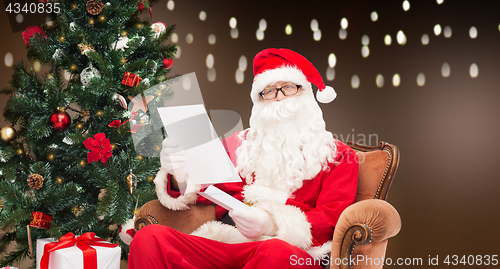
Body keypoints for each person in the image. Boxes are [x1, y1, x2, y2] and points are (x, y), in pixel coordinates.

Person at [127, 48, 359, 269]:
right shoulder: (239, 144)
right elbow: (206, 190)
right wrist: (179, 174)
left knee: (276, 252)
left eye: (288, 87)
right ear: (258, 100)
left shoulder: (340, 156)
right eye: (268, 91)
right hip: (229, 243)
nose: (278, 97)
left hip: (290, 251)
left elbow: (331, 218)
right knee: (150, 237)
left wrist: (272, 223)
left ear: (306, 92)